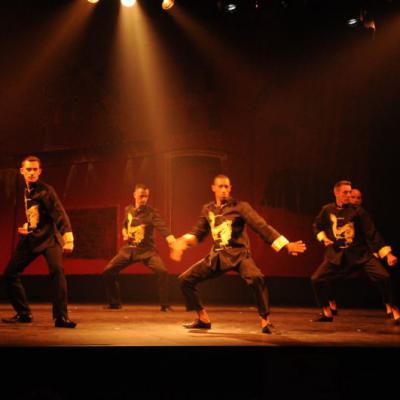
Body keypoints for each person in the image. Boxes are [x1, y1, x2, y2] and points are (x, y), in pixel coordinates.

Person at [170, 174, 307, 334]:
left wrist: (286, 245)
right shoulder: (208, 209)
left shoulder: (240, 207)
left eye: (226, 186)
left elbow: (261, 226)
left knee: (256, 278)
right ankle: (203, 319)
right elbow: (198, 234)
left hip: (240, 255)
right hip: (217, 257)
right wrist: (183, 241)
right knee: (185, 280)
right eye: (220, 186)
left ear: (230, 188)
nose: (223, 190)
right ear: (213, 188)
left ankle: (266, 321)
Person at [2, 155, 76, 328]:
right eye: (29, 169)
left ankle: (61, 317)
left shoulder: (46, 190)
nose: (32, 172)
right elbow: (38, 215)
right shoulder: (26, 191)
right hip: (32, 237)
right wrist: (27, 227)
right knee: (9, 274)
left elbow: (59, 213)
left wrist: (68, 238)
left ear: (40, 171)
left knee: (57, 272)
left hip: (50, 238)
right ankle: (23, 313)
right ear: (22, 171)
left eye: (35, 169)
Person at [311, 180, 399, 324]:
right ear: (336, 193)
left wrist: (387, 254)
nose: (348, 195)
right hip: (337, 255)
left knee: (384, 277)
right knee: (316, 279)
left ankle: (393, 308)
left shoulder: (358, 211)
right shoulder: (327, 210)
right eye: (345, 192)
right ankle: (326, 312)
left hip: (360, 255)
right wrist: (323, 238)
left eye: (350, 192)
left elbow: (372, 233)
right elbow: (317, 225)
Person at [103, 184, 175, 311]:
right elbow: (125, 225)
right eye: (141, 196)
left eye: (146, 196)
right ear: (134, 195)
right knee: (108, 271)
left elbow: (162, 227)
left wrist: (171, 239)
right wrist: (125, 233)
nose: (144, 199)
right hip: (129, 250)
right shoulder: (128, 210)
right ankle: (114, 303)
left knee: (162, 272)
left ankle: (165, 305)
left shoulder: (151, 213)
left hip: (147, 251)